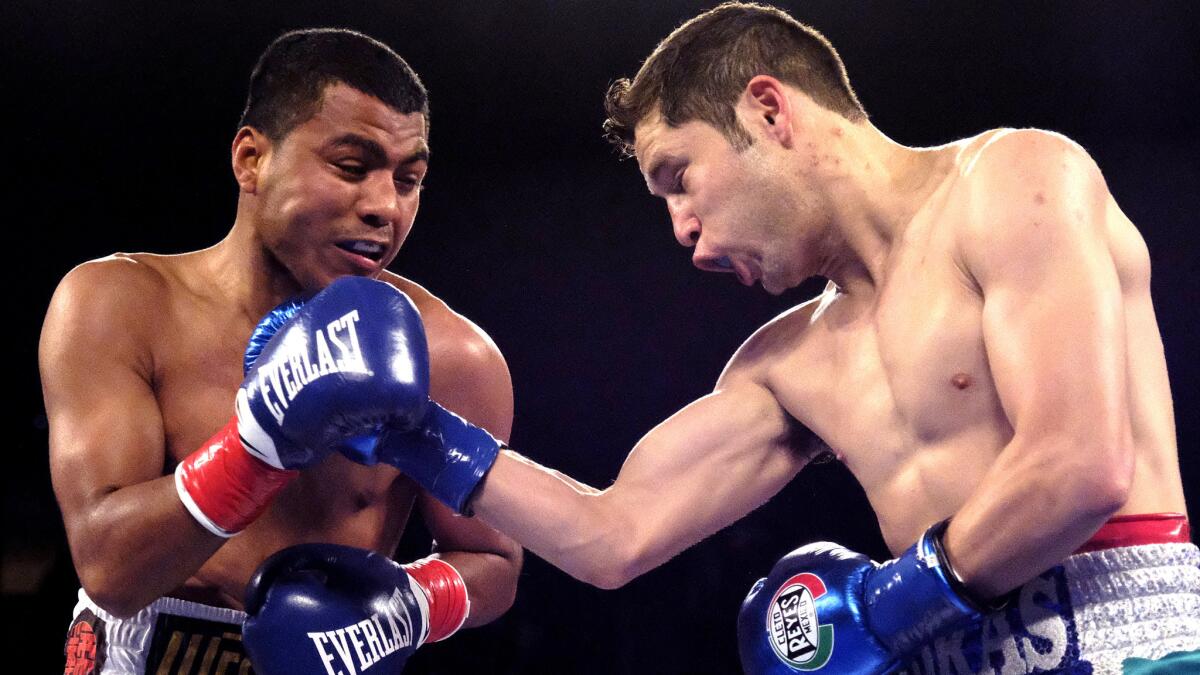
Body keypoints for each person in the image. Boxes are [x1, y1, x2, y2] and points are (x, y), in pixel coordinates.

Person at [358, 3, 1197, 673]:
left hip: (1130, 638)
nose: (681, 229)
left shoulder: (1016, 181)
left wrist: (886, 606)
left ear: (767, 110)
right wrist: (415, 431)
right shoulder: (787, 362)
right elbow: (612, 534)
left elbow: (1079, 464)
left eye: (678, 178)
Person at [41, 28, 521, 674]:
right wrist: (261, 443)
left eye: (409, 179)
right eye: (352, 166)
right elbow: (109, 569)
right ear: (251, 159)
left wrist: (410, 604)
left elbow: (493, 561)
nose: (385, 206)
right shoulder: (120, 305)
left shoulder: (454, 356)